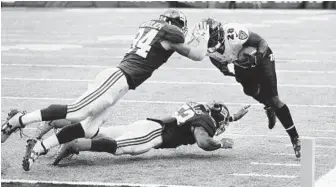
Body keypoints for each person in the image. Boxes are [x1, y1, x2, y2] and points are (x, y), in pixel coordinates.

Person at [1, 10, 211, 171]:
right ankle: (17, 120)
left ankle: (38, 149)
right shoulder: (169, 33)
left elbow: (178, 45)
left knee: (88, 128)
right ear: (175, 25)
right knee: (77, 111)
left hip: (119, 82)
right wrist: (204, 35)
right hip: (117, 79)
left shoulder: (156, 29)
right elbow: (198, 55)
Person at [196, 18, 301, 158]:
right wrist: (221, 67)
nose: (208, 42)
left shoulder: (233, 33)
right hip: (241, 63)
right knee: (249, 90)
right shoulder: (206, 46)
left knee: (274, 99)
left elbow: (261, 42)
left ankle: (294, 138)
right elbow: (212, 56)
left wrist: (257, 57)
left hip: (261, 57)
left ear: (219, 33)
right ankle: (267, 105)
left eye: (210, 38)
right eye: (205, 39)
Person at [46, 101, 250, 166]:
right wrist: (221, 144)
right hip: (153, 135)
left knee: (98, 131)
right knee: (116, 147)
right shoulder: (205, 123)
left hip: (147, 123)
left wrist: (233, 117)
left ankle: (53, 123)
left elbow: (202, 122)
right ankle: (75, 145)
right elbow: (203, 142)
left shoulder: (200, 110)